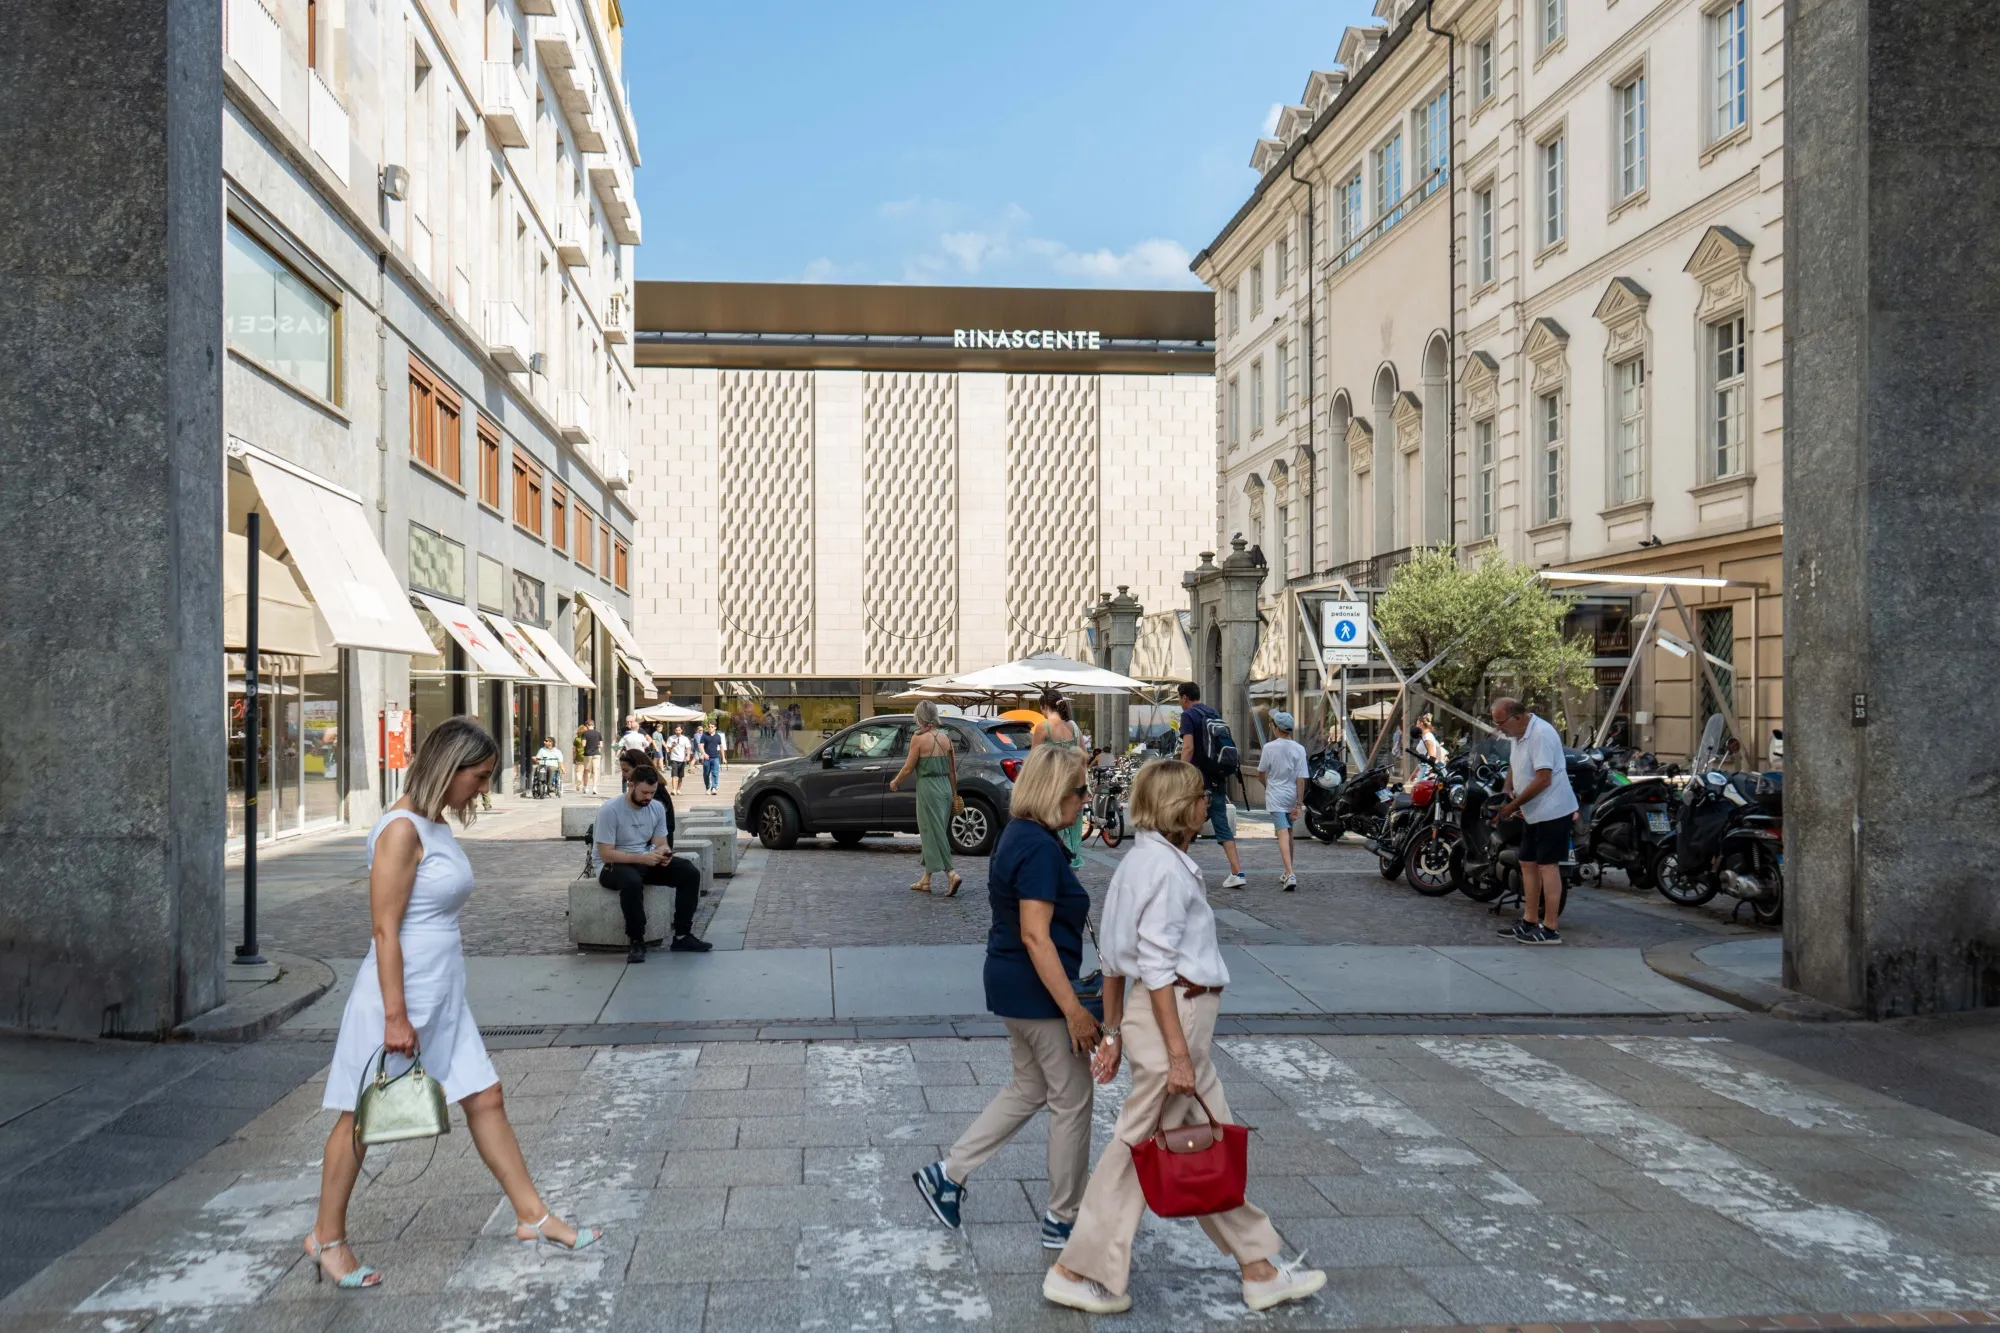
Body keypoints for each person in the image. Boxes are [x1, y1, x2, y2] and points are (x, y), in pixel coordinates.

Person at [310, 718, 602, 1289]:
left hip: (442, 991)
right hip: (401, 993)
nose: (484, 787)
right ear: (450, 766)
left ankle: (531, 1214)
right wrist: (396, 1015)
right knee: (360, 1117)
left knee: (486, 1096)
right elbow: (384, 930)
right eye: (481, 775)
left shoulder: (433, 824)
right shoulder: (401, 830)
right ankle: (326, 1238)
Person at [1044, 759, 1325, 1316]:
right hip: (1179, 1014)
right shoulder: (1167, 872)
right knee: (1137, 1145)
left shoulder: (1141, 862)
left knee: (1204, 1137)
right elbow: (1157, 965)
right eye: (1201, 797)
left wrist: (1119, 1031)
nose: (1207, 805)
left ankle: (1259, 1266)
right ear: (1182, 807)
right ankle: (1076, 1268)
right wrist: (1174, 1053)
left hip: (1160, 1016)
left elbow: (1114, 959)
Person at [915, 744, 1097, 1253]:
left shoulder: (1018, 835)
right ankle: (1064, 1218)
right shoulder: (1039, 847)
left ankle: (948, 1174)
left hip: (1011, 984)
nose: (1084, 801)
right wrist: (1075, 1010)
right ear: (1056, 793)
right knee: (1072, 1101)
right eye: (1079, 792)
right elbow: (1037, 936)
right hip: (1041, 993)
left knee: (1028, 1088)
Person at [595, 762, 711, 962]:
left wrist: (664, 854)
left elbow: (660, 843)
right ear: (630, 785)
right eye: (644, 792)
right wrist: (642, 858)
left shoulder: (656, 807)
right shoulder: (610, 810)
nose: (648, 797)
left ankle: (682, 935)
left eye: (652, 792)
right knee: (631, 882)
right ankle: (637, 940)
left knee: (689, 872)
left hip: (644, 860)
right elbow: (606, 854)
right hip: (612, 865)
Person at [1490, 696, 1578, 946]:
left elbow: (1543, 779)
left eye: (1500, 722)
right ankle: (1529, 920)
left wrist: (1512, 806)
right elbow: (1514, 765)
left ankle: (1550, 928)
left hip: (1552, 809)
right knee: (1527, 862)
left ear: (1517, 717)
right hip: (1532, 811)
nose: (1498, 728)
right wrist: (1507, 789)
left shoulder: (1540, 734)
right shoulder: (1519, 734)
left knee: (1547, 866)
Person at [1176, 682, 1246, 889]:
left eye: (1179, 698)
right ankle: (1237, 872)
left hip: (1197, 780)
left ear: (1184, 698)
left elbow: (1188, 748)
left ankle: (1177, 870)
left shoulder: (1188, 716)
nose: (1180, 702)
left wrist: (1180, 772)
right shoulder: (1212, 712)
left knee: (1186, 825)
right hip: (1217, 777)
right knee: (1221, 825)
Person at [888, 700, 962, 896]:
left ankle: (951, 873)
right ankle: (926, 880)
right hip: (945, 788)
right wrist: (954, 792)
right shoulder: (946, 738)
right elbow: (952, 770)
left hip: (928, 788)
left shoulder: (918, 739)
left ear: (919, 717)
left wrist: (895, 782)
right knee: (934, 830)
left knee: (933, 832)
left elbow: (908, 768)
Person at [1031, 690, 1086, 872]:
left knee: (1054, 835)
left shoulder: (1043, 727)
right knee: (1072, 838)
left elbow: (1034, 762)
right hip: (1075, 789)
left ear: (1045, 706)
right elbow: (1084, 758)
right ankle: (1071, 878)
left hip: (1053, 790)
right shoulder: (1073, 727)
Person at [1257, 711, 1307, 891]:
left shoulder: (1269, 748)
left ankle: (1290, 872)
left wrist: (1267, 785)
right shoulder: (1299, 749)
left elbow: (1261, 774)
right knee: (1289, 832)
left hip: (1275, 794)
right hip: (1292, 795)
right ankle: (1288, 872)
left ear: (1275, 727)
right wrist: (1299, 804)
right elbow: (1301, 779)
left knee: (1282, 832)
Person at [663, 724, 692, 794]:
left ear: (681, 730)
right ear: (674, 730)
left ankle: (678, 789)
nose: (677, 731)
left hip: (682, 759)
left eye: (679, 730)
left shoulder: (685, 738)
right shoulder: (671, 738)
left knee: (680, 776)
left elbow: (688, 747)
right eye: (676, 730)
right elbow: (668, 750)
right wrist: (672, 746)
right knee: (674, 774)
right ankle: (674, 789)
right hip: (674, 758)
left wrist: (688, 755)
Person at [698, 722, 724, 794]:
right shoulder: (704, 735)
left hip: (715, 757)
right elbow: (701, 746)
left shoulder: (718, 736)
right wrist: (704, 754)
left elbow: (721, 747)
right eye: (709, 726)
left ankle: (714, 788)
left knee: (715, 773)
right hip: (707, 758)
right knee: (706, 773)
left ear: (715, 727)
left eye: (712, 727)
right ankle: (707, 788)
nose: (710, 728)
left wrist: (723, 757)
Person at [579, 720, 603, 794]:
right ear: (593, 725)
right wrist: (596, 745)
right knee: (596, 771)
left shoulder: (585, 733)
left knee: (587, 771)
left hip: (588, 754)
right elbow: (601, 745)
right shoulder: (598, 733)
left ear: (587, 725)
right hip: (596, 754)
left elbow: (583, 744)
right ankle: (595, 787)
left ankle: (585, 787)